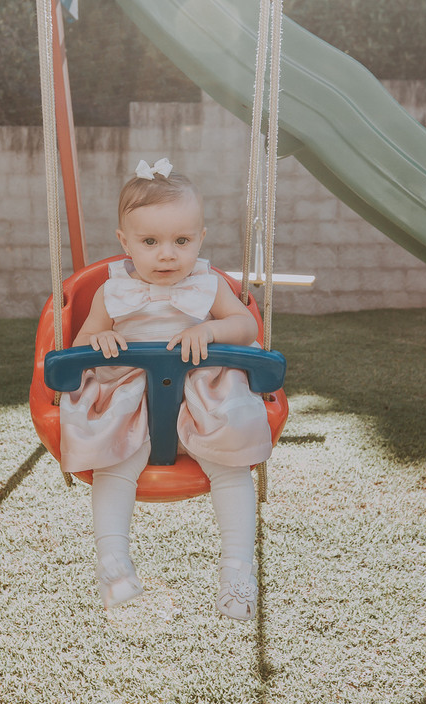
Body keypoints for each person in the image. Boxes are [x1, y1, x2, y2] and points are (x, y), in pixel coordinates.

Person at [60, 158, 273, 620]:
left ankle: (237, 572)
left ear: (200, 238)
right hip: (130, 398)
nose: (167, 254)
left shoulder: (208, 284)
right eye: (150, 242)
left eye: (182, 241)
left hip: (202, 398)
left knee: (230, 466)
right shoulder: (111, 293)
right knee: (115, 466)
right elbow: (79, 342)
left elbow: (244, 324)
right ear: (124, 243)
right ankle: (114, 565)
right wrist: (100, 338)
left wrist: (212, 332)